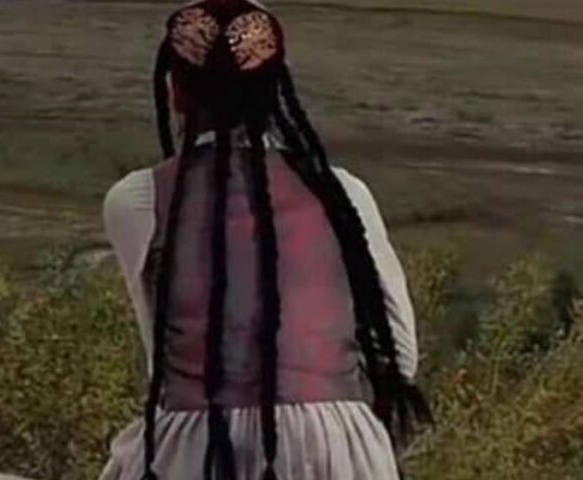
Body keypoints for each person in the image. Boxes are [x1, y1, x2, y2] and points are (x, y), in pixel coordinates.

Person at [100, 1, 432, 479]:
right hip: (339, 450)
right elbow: (398, 355)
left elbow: (163, 367)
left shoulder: (138, 201)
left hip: (203, 446)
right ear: (275, 89)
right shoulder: (342, 193)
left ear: (175, 93)